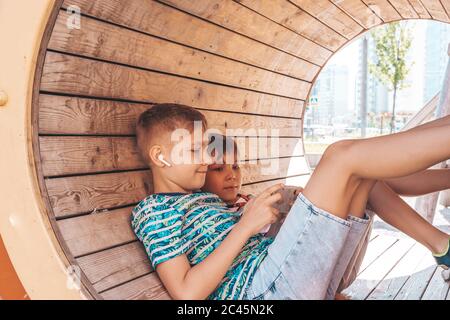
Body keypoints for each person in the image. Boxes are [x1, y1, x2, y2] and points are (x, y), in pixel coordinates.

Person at [131, 103, 450, 299]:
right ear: (160, 156)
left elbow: (247, 246)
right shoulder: (155, 211)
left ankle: (442, 245)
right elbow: (187, 294)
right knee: (340, 156)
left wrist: (279, 217)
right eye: (194, 151)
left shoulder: (207, 199)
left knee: (364, 175)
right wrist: (244, 227)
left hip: (278, 273)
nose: (204, 159)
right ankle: (442, 246)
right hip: (259, 292)